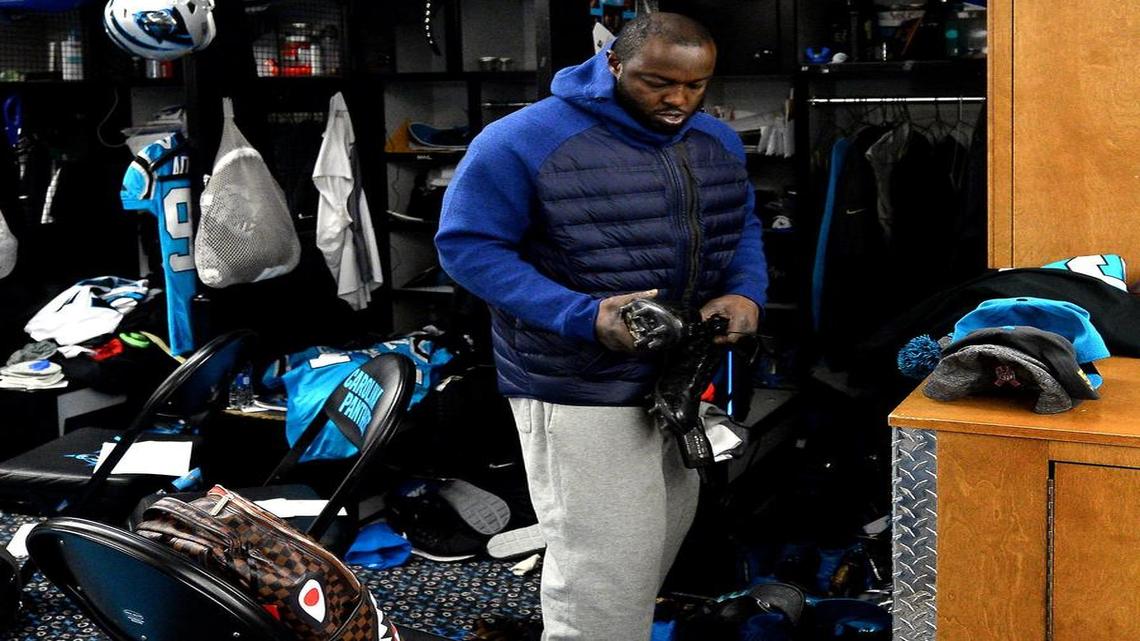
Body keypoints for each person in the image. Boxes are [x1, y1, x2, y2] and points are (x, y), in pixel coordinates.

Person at [435, 12, 767, 640]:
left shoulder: (714, 140)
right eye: (657, 82)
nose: (678, 100)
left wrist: (745, 293)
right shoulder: (522, 139)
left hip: (677, 375)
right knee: (604, 570)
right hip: (576, 382)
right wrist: (582, 316)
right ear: (613, 64)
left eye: (695, 86)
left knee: (655, 546)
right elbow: (467, 247)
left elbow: (742, 224)